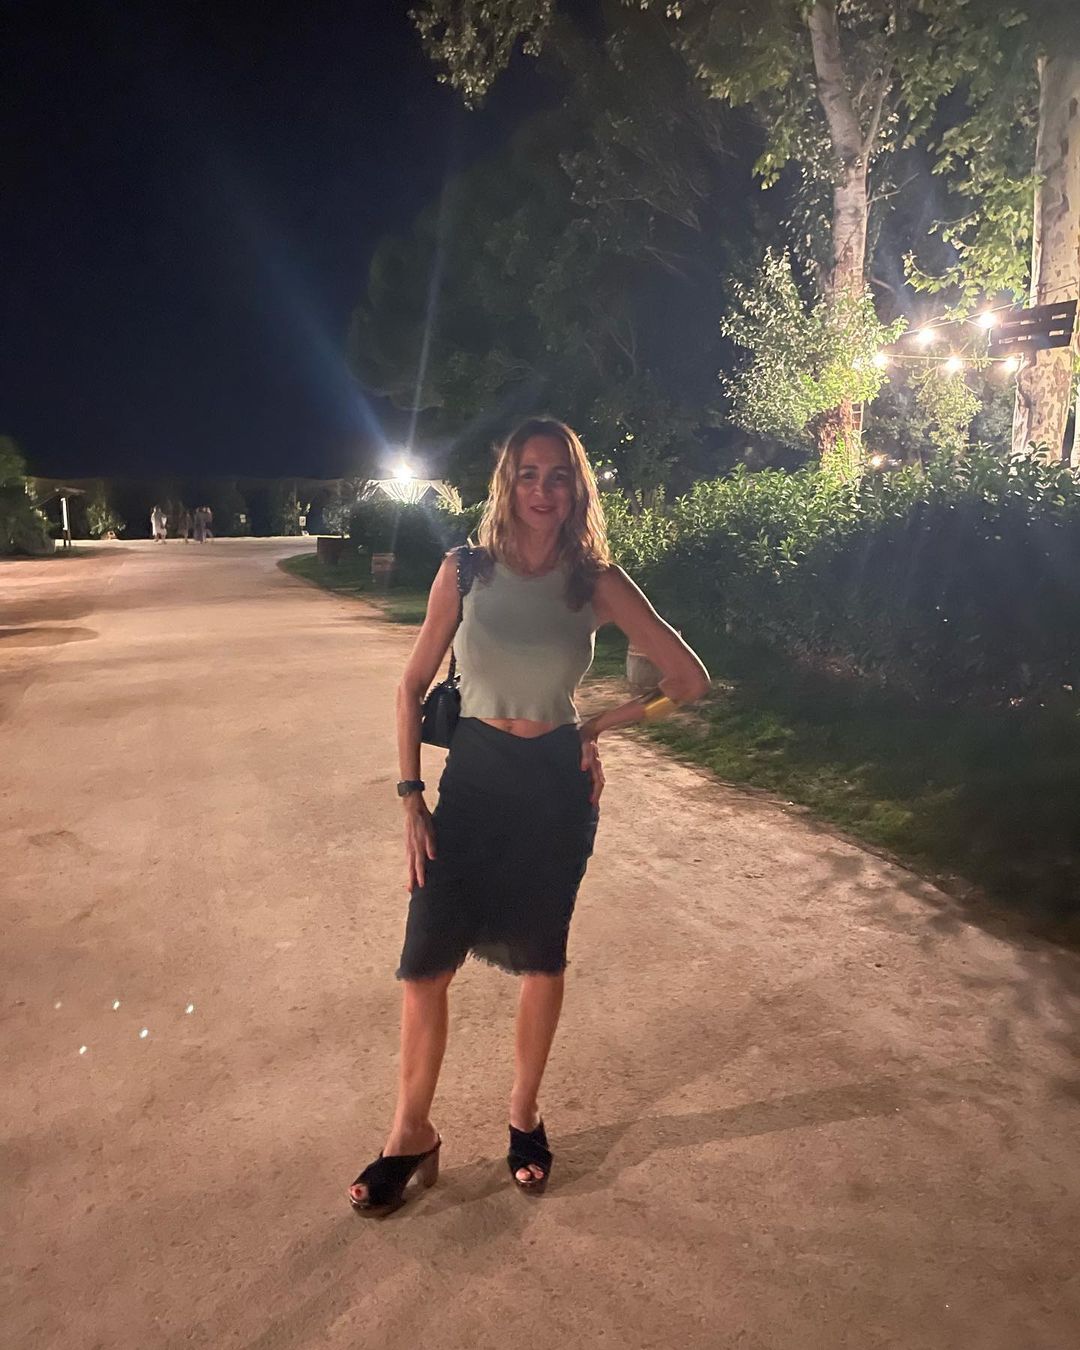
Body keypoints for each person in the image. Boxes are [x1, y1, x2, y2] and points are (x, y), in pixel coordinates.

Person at [348, 417, 711, 1216]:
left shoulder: (597, 583)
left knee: (542, 961)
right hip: (473, 781)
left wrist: (601, 724)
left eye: (559, 476)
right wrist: (410, 795)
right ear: (506, 484)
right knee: (425, 964)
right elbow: (409, 686)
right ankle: (410, 1132)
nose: (543, 490)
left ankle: (524, 1117)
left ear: (577, 489)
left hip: (553, 790)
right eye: (528, 474)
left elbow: (688, 680)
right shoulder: (465, 570)